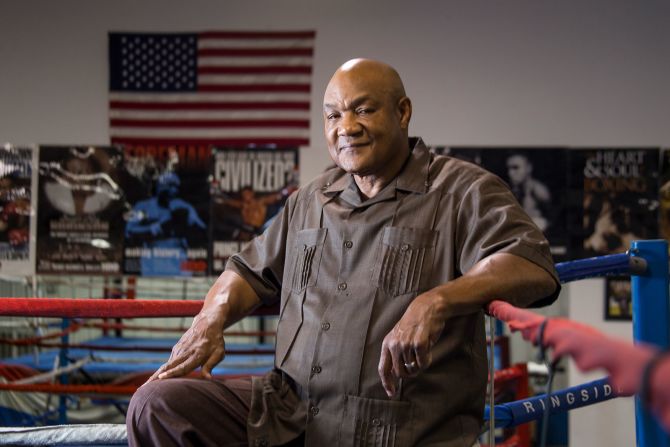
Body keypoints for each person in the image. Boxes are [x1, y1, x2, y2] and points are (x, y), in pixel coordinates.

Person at [126, 58, 560, 446]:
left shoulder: (461, 189)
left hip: (394, 427)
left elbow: (529, 262)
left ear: (403, 112)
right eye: (333, 115)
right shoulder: (311, 199)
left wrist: (437, 300)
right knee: (157, 405)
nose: (346, 127)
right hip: (289, 414)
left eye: (363, 110)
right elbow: (249, 268)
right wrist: (210, 319)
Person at [125, 171, 207, 275]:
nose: (172, 190)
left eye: (175, 186)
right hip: (152, 259)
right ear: (159, 187)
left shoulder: (184, 206)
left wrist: (189, 225)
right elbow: (129, 231)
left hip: (178, 259)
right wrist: (154, 228)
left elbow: (203, 232)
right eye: (168, 186)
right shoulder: (143, 207)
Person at [505, 153, 551, 232]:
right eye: (508, 169)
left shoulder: (539, 190)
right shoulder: (512, 190)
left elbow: (551, 219)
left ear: (529, 168)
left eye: (516, 168)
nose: (510, 173)